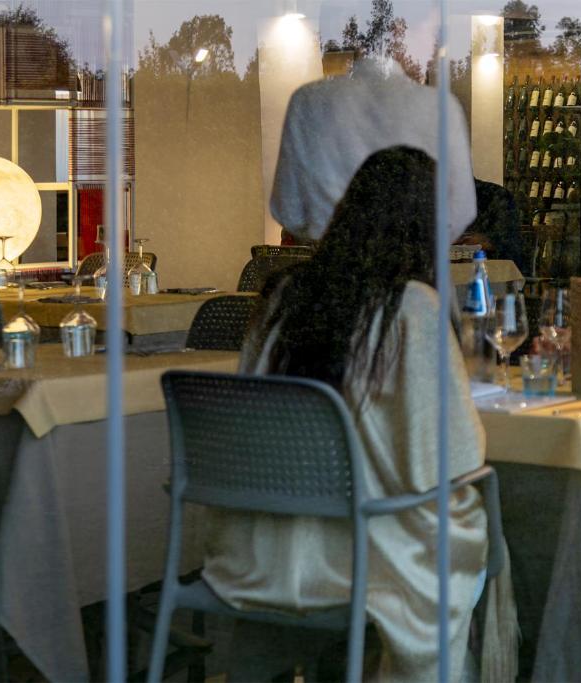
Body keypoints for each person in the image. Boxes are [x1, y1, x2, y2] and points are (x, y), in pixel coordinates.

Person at [202, 147, 514, 682]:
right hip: (365, 554)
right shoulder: (411, 307)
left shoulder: (282, 297)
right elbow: (450, 459)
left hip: (261, 546)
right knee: (499, 531)